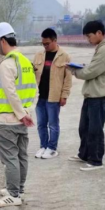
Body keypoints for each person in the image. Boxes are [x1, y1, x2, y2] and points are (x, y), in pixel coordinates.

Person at [0, 22, 37, 208]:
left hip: (7, 120)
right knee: (21, 156)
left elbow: (10, 93)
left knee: (10, 157)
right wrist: (27, 113)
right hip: (22, 119)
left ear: (2, 41)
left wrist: (19, 114)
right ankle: (19, 189)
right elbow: (34, 90)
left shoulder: (7, 64)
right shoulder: (25, 62)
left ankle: (13, 194)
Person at [68, 20, 105, 171]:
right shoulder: (101, 48)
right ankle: (84, 154)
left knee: (95, 129)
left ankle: (96, 160)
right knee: (84, 128)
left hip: (99, 96)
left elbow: (92, 71)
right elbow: (93, 68)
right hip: (92, 94)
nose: (88, 39)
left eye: (89, 36)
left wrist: (75, 71)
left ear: (99, 33)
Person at [32, 28, 73, 159]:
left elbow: (68, 78)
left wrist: (64, 95)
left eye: (47, 43)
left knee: (53, 124)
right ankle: (43, 146)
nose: (45, 46)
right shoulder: (39, 55)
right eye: (43, 44)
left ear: (55, 40)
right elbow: (33, 74)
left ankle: (52, 148)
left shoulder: (64, 56)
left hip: (54, 97)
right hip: (40, 96)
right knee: (41, 124)